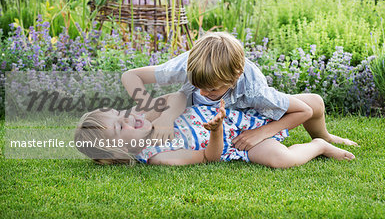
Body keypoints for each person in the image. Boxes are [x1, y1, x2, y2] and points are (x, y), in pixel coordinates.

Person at [121, 32, 358, 167]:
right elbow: (130, 76)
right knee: (164, 103)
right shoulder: (189, 66)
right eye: (198, 86)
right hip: (203, 119)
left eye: (212, 90)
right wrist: (159, 114)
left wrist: (262, 133)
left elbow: (303, 112)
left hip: (247, 114)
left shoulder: (254, 89)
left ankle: (323, 139)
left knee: (312, 104)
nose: (203, 93)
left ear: (233, 79)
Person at [74, 93, 355, 167]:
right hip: (240, 142)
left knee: (312, 104)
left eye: (122, 113)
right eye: (120, 126)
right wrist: (217, 130)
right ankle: (320, 147)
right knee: (281, 160)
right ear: (121, 149)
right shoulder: (160, 155)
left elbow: (179, 97)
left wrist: (167, 118)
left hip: (241, 112)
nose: (129, 118)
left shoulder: (150, 117)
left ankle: (324, 134)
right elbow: (210, 156)